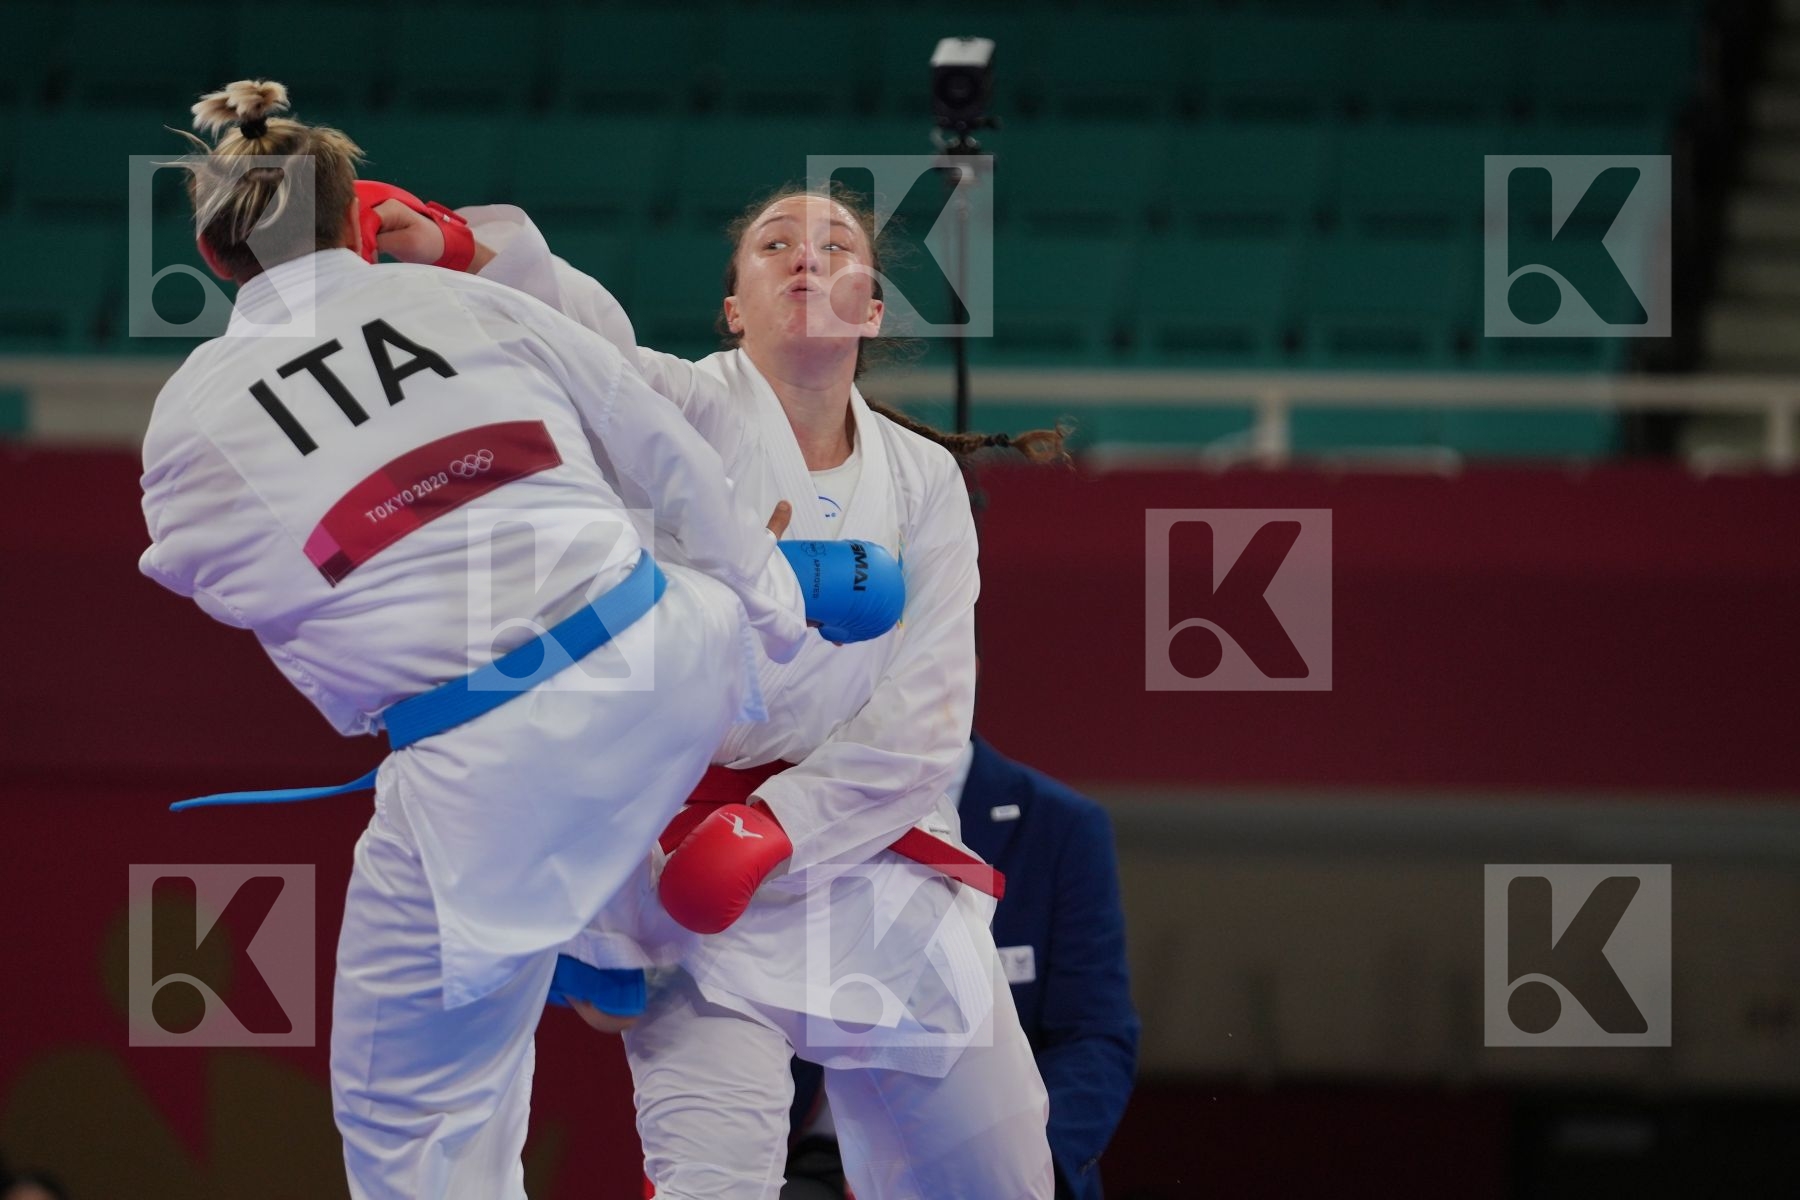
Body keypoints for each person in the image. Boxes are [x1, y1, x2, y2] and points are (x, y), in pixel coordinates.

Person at [139, 82, 889, 1200]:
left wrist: (362, 620)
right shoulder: (464, 304)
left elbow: (199, 567)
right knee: (673, 570)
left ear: (213, 254)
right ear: (362, 220)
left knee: (415, 1117)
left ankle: (606, 911)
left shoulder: (192, 410)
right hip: (670, 650)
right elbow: (656, 439)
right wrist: (769, 601)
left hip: (486, 761)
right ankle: (613, 907)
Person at [372, 179, 1065, 1197]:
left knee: (999, 1175)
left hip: (874, 858)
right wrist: (462, 249)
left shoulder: (923, 482)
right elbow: (587, 347)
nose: (807, 255)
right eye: (775, 243)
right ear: (734, 310)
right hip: (687, 878)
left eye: (836, 244)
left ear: (872, 310)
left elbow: (924, 716)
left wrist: (779, 827)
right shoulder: (686, 409)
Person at [785, 733, 1141, 1200]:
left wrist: (1027, 1171)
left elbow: (1093, 1035)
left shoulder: (1060, 826)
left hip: (982, 1170)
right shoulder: (779, 804)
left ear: (961, 666)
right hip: (804, 1166)